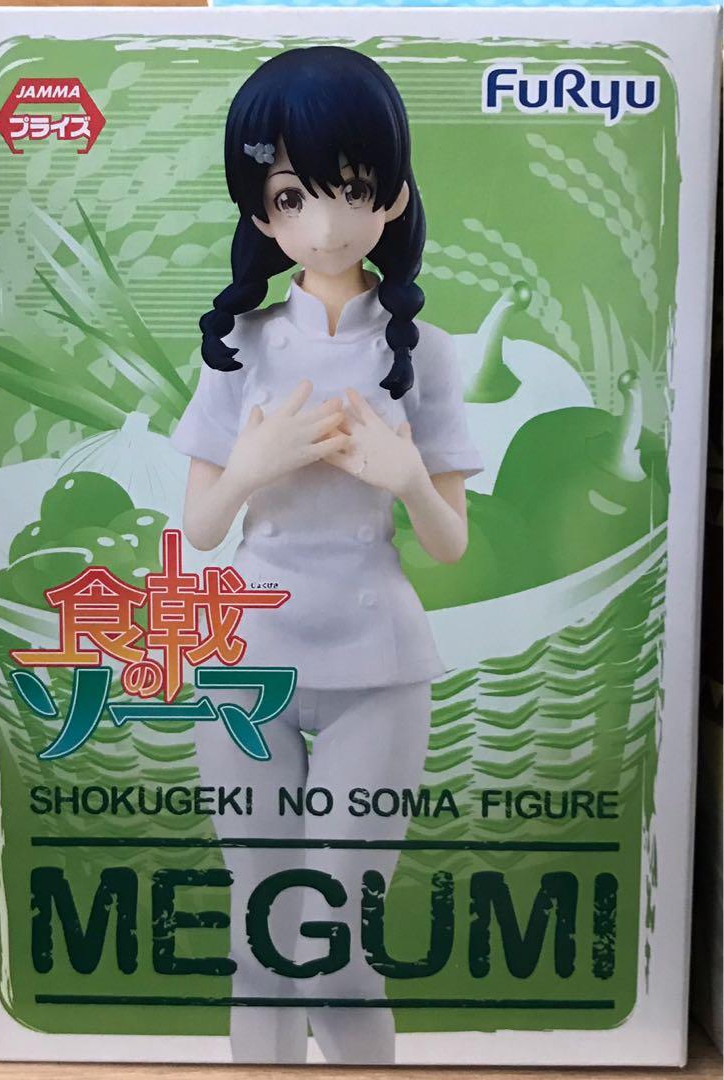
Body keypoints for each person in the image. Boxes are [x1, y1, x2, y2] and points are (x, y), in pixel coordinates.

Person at [171, 44, 481, 1065]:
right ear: (262, 214)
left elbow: (447, 545)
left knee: (338, 941)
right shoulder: (241, 345)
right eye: (292, 196)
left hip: (377, 665)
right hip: (245, 664)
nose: (325, 222)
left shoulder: (423, 352)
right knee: (260, 933)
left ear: (392, 194)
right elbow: (200, 529)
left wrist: (405, 477)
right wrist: (251, 466)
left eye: (352, 187)